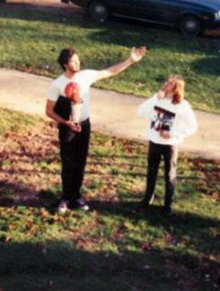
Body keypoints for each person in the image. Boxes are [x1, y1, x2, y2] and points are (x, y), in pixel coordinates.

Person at [46, 46, 147, 213]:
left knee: (81, 161)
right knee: (68, 162)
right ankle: (65, 197)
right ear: (65, 64)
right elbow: (49, 111)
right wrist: (65, 122)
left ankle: (76, 197)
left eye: (78, 59)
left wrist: (130, 61)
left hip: (84, 125)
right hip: (67, 127)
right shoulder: (57, 84)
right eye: (73, 61)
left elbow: (109, 71)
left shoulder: (85, 76)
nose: (77, 63)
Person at [137, 74, 197, 215]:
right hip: (154, 142)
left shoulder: (183, 105)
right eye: (166, 81)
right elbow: (140, 112)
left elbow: (192, 127)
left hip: (170, 145)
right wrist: (155, 98)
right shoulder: (158, 99)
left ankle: (167, 205)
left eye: (170, 83)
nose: (166, 84)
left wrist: (172, 134)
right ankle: (147, 199)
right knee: (151, 171)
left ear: (176, 88)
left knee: (169, 174)